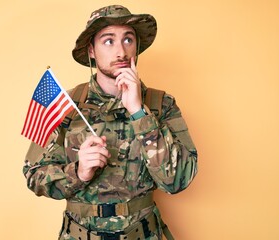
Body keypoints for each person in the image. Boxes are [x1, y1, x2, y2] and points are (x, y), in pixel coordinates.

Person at [23, 5, 198, 240]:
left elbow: (178, 181)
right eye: (108, 41)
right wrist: (79, 172)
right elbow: (34, 176)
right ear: (91, 51)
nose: (121, 52)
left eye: (128, 40)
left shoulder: (160, 104)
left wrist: (139, 113)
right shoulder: (66, 106)